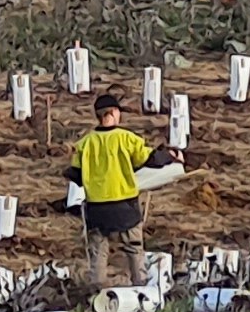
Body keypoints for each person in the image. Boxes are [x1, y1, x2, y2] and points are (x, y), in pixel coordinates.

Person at [72, 89, 176, 287]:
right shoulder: (127, 139)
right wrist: (170, 157)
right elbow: (150, 158)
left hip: (96, 209)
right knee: (134, 248)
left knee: (99, 252)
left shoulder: (84, 144)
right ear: (114, 113)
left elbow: (74, 174)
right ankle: (141, 290)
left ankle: (97, 292)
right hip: (125, 206)